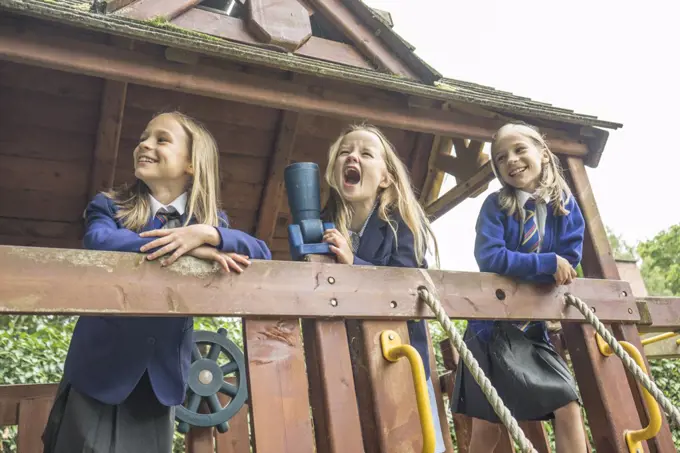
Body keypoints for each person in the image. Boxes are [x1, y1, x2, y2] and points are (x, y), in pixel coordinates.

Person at [42, 111, 272, 453]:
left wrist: (204, 233)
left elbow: (261, 252)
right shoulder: (109, 206)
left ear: (191, 164)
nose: (145, 145)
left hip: (159, 381)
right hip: (98, 371)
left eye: (161, 139)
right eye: (143, 138)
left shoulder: (209, 223)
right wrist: (182, 245)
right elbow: (101, 244)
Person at [451, 122, 587, 453]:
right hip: (490, 330)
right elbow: (491, 257)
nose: (511, 160)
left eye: (519, 150)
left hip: (531, 332)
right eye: (500, 158)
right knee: (489, 425)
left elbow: (568, 261)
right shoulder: (496, 206)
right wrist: (544, 265)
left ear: (543, 152)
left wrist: (551, 266)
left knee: (567, 404)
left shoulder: (564, 207)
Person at [321, 124, 447, 453]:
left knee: (417, 441)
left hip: (400, 359)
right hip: (348, 363)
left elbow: (408, 285)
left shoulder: (402, 221)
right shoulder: (327, 226)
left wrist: (354, 263)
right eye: (345, 152)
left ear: (385, 178)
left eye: (366, 153)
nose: (353, 156)